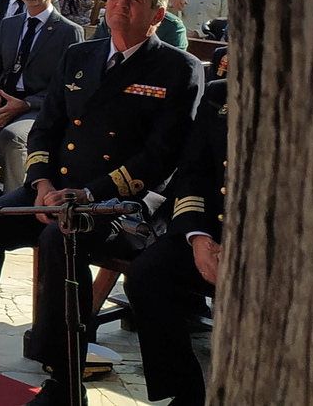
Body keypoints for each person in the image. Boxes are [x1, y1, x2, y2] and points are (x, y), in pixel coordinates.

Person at [0, 0, 201, 402]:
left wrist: (88, 195)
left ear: (157, 15)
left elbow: (160, 157)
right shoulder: (80, 55)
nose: (119, 5)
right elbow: (46, 128)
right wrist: (42, 183)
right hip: (56, 188)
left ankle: (64, 379)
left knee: (59, 237)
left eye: (134, 1)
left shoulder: (177, 68)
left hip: (118, 203)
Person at [124, 73, 227, 406]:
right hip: (217, 230)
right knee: (146, 275)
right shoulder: (221, 93)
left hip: (294, 243)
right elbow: (194, 171)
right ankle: (186, 394)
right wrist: (199, 237)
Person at [0, 0, 82, 191]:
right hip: (2, 100)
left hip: (38, 107)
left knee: (12, 137)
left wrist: (26, 104)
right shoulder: (10, 24)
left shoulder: (68, 31)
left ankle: (14, 205)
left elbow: (69, 86)